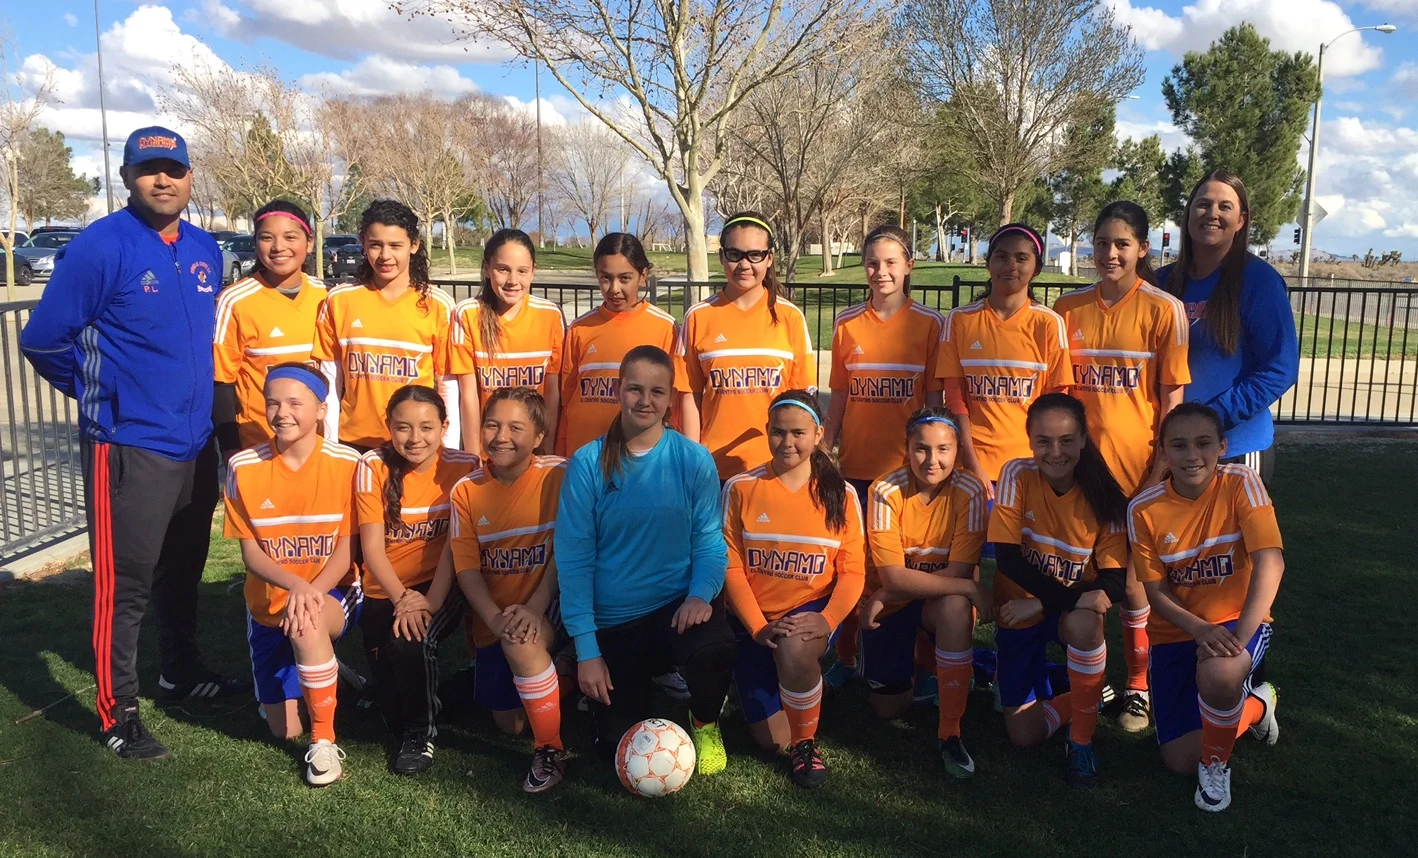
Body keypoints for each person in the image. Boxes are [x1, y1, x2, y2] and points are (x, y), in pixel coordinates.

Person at [20, 125, 248, 759]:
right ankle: (117, 711)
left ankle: (181, 670)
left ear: (190, 177)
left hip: (193, 445)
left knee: (183, 569)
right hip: (127, 446)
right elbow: (42, 340)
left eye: (174, 168)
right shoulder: (98, 247)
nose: (163, 179)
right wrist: (105, 395)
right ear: (126, 177)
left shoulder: (204, 248)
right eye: (149, 169)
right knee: (125, 587)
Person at [556, 345, 737, 775]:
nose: (645, 400)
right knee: (616, 747)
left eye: (657, 392)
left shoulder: (693, 459)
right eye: (635, 389)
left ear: (670, 398)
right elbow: (574, 561)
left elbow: (710, 542)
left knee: (715, 646)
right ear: (618, 390)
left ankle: (705, 722)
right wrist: (587, 650)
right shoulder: (587, 463)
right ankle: (606, 676)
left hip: (675, 609)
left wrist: (700, 595)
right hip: (614, 619)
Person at [1054, 201, 1191, 733]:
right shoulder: (1067, 309)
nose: (1109, 253)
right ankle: (1087, 678)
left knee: (1134, 583)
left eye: (1122, 244)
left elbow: (1172, 402)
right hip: (1077, 469)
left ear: (1142, 249)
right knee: (1076, 574)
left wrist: (1158, 475)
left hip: (1137, 472)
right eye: (1101, 242)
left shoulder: (1164, 309)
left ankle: (1138, 686)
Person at [1129, 402, 1283, 813]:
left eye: (1203, 443)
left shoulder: (1242, 482)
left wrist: (1237, 639)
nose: (1192, 455)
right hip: (1178, 632)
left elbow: (1271, 562)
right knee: (1179, 761)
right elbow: (1156, 593)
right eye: (1179, 445)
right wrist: (1199, 630)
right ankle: (1256, 705)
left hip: (1237, 622)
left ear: (1222, 447)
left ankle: (1216, 766)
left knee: (1220, 672)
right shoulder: (1143, 508)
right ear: (1162, 450)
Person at [224, 363, 363, 787]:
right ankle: (331, 671)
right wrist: (296, 586)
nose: (282, 412)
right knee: (284, 729)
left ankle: (324, 742)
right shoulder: (242, 466)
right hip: (270, 603)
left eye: (294, 403)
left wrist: (310, 592)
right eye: (273, 403)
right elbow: (251, 555)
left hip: (331, 591)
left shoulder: (349, 463)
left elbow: (347, 552)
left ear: (321, 410)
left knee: (308, 623)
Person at [721, 390, 866, 788]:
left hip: (808, 610)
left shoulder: (841, 494)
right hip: (755, 621)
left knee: (795, 648)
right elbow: (731, 566)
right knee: (771, 740)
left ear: (818, 434)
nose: (787, 442)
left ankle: (806, 744)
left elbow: (853, 572)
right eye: (778, 432)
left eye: (798, 433)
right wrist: (756, 626)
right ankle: (805, 687)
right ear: (767, 432)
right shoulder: (741, 488)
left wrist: (828, 619)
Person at [823, 225, 945, 688]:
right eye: (873, 263)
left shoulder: (930, 323)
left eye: (891, 262)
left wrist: (933, 466)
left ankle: (924, 663)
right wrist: (826, 447)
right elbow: (839, 395)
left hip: (908, 474)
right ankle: (847, 656)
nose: (881, 272)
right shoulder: (847, 323)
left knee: (914, 567)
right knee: (855, 567)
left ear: (908, 266)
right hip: (857, 468)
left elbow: (933, 404)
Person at [987, 393, 1128, 790]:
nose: (1055, 452)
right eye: (1043, 441)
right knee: (1024, 736)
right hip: (1018, 610)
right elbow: (1009, 560)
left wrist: (1041, 603)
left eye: (1066, 440)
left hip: (1053, 609)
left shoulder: (1105, 493)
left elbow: (1114, 583)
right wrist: (1048, 601)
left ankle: (1081, 740)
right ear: (1030, 441)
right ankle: (1089, 693)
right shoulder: (1016, 473)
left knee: (1086, 623)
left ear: (1083, 439)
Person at [447, 387, 569, 793]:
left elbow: (567, 549)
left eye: (516, 428)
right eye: (492, 425)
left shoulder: (559, 474)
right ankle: (563, 674)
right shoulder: (466, 491)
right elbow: (467, 570)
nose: (501, 437)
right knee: (510, 724)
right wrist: (494, 618)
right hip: (497, 616)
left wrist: (535, 606)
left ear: (539, 436)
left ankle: (550, 750)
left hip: (548, 606)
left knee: (521, 641)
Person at [857, 407, 989, 779]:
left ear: (958, 450)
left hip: (929, 601)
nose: (932, 460)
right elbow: (895, 577)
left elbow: (957, 570)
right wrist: (890, 592)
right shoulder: (884, 490)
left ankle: (950, 731)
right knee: (889, 710)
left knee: (955, 607)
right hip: (891, 605)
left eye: (943, 449)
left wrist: (892, 590)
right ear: (907, 448)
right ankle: (928, 661)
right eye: (922, 448)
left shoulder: (971, 490)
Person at [353, 385, 479, 775]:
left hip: (439, 584)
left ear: (445, 427)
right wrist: (402, 599)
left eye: (426, 427)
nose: (415, 438)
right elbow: (372, 550)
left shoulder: (465, 465)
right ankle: (464, 687)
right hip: (386, 589)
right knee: (389, 710)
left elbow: (456, 543)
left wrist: (430, 601)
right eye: (403, 427)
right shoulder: (371, 465)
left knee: (411, 643)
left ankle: (420, 735)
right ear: (388, 426)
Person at [1158, 171, 1299, 486]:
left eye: (1225, 206)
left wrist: (1211, 420)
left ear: (1241, 220)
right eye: (1203, 204)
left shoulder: (1259, 281)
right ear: (1188, 213)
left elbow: (1281, 369)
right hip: (1173, 450)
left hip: (1235, 449)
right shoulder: (1162, 281)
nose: (1212, 213)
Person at [936, 223, 1072, 498]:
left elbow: (1057, 404)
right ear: (988, 263)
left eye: (1021, 258)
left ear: (1037, 267)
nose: (1010, 265)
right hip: (973, 466)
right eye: (1001, 256)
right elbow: (955, 398)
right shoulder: (960, 320)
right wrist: (972, 463)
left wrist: (1044, 465)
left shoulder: (1049, 324)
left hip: (1030, 467)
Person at [676, 212, 815, 479]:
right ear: (721, 256)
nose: (744, 264)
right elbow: (689, 395)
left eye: (755, 255)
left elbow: (803, 402)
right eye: (734, 254)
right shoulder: (698, 316)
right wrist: (694, 458)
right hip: (714, 468)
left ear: (769, 258)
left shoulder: (790, 317)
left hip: (777, 467)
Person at [313, 200, 458, 452]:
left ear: (414, 245)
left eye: (395, 245)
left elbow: (447, 385)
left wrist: (448, 448)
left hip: (414, 444)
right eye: (375, 245)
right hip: (352, 442)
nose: (385, 255)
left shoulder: (438, 305)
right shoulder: (339, 300)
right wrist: (331, 444)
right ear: (363, 243)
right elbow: (330, 378)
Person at [214, 200, 328, 455]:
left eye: (290, 237)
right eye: (267, 238)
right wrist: (230, 448)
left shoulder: (327, 296)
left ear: (309, 243)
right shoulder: (235, 301)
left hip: (319, 448)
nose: (278, 247)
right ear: (255, 244)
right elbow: (221, 383)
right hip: (259, 447)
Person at [558, 233, 677, 456]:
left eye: (624, 278)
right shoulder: (580, 328)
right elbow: (567, 401)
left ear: (642, 276)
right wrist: (561, 452)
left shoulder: (665, 327)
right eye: (606, 277)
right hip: (585, 455)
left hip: (640, 458)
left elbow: (672, 404)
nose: (614, 288)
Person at [450, 228, 565, 456]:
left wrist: (547, 449)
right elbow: (469, 397)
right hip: (490, 452)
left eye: (522, 271)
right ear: (487, 269)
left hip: (533, 452)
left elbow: (552, 394)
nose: (512, 281)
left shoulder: (551, 315)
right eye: (503, 269)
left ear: (533, 272)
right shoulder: (467, 314)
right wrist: (473, 457)